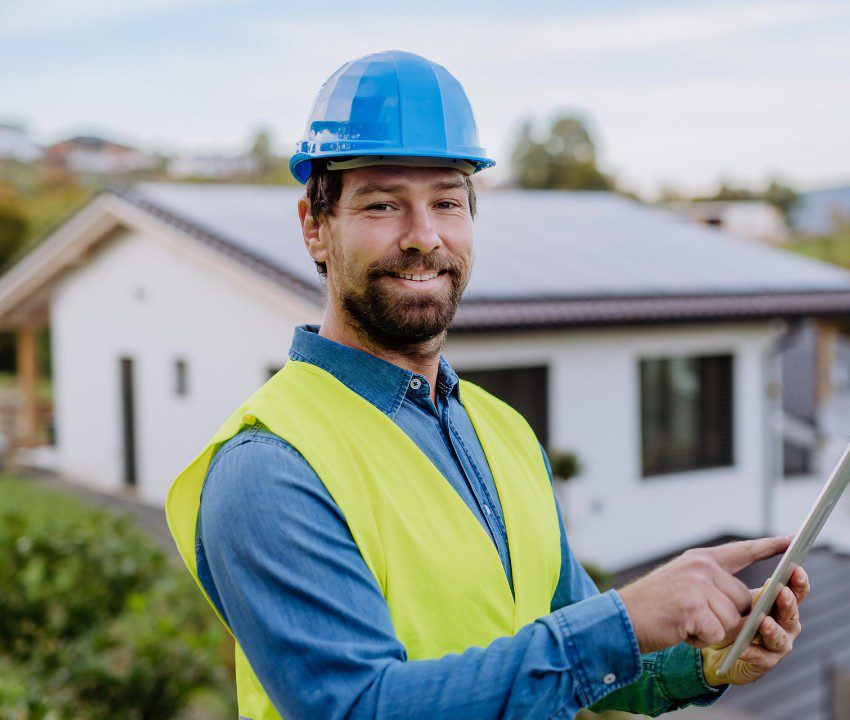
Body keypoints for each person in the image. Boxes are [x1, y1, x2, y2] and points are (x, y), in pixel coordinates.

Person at [165, 50, 809, 720]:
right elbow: (358, 708)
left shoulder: (501, 430)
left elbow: (588, 659)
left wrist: (706, 655)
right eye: (383, 204)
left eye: (447, 202)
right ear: (314, 228)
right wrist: (619, 621)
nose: (423, 237)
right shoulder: (268, 468)